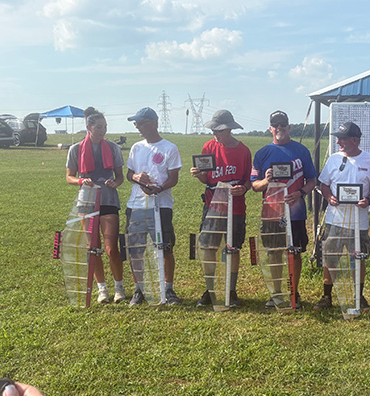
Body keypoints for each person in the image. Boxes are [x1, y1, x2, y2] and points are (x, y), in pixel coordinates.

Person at [313, 121, 370, 312]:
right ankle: (326, 296)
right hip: (334, 220)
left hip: (358, 222)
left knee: (358, 259)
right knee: (331, 258)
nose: (338, 143)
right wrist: (329, 197)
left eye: (342, 139)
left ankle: (358, 297)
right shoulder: (334, 159)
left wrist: (368, 200)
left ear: (354, 140)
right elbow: (323, 184)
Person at [251, 110, 317, 309]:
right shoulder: (262, 153)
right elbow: (254, 185)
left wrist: (301, 194)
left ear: (289, 127)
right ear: (270, 128)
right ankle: (277, 293)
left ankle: (294, 292)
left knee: (295, 252)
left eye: (282, 124)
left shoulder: (301, 151)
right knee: (274, 253)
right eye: (275, 124)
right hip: (271, 213)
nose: (279, 127)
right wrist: (266, 180)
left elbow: (312, 180)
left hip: (295, 212)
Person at [191, 110, 252, 308]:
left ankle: (231, 289)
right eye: (213, 130)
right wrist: (198, 174)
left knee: (233, 248)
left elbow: (247, 181)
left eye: (218, 130)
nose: (214, 134)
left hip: (235, 207)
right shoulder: (209, 146)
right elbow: (205, 178)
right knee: (208, 246)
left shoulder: (243, 151)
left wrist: (242, 188)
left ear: (229, 129)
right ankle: (210, 289)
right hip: (212, 205)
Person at [66, 107, 125, 304]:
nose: (103, 130)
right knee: (94, 248)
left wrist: (115, 183)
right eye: (99, 127)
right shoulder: (75, 149)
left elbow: (119, 177)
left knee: (111, 248)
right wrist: (81, 181)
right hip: (87, 201)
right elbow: (69, 177)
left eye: (105, 126)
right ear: (88, 127)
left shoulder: (113, 148)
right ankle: (102, 289)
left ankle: (119, 287)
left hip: (108, 200)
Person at [125, 107, 182, 306]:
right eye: (136, 124)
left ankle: (168, 289)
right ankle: (139, 290)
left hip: (161, 205)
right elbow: (128, 174)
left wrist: (158, 189)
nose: (138, 127)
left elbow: (173, 178)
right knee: (136, 249)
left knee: (165, 247)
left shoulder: (169, 148)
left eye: (141, 123)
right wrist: (136, 177)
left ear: (154, 123)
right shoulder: (136, 147)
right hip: (137, 205)